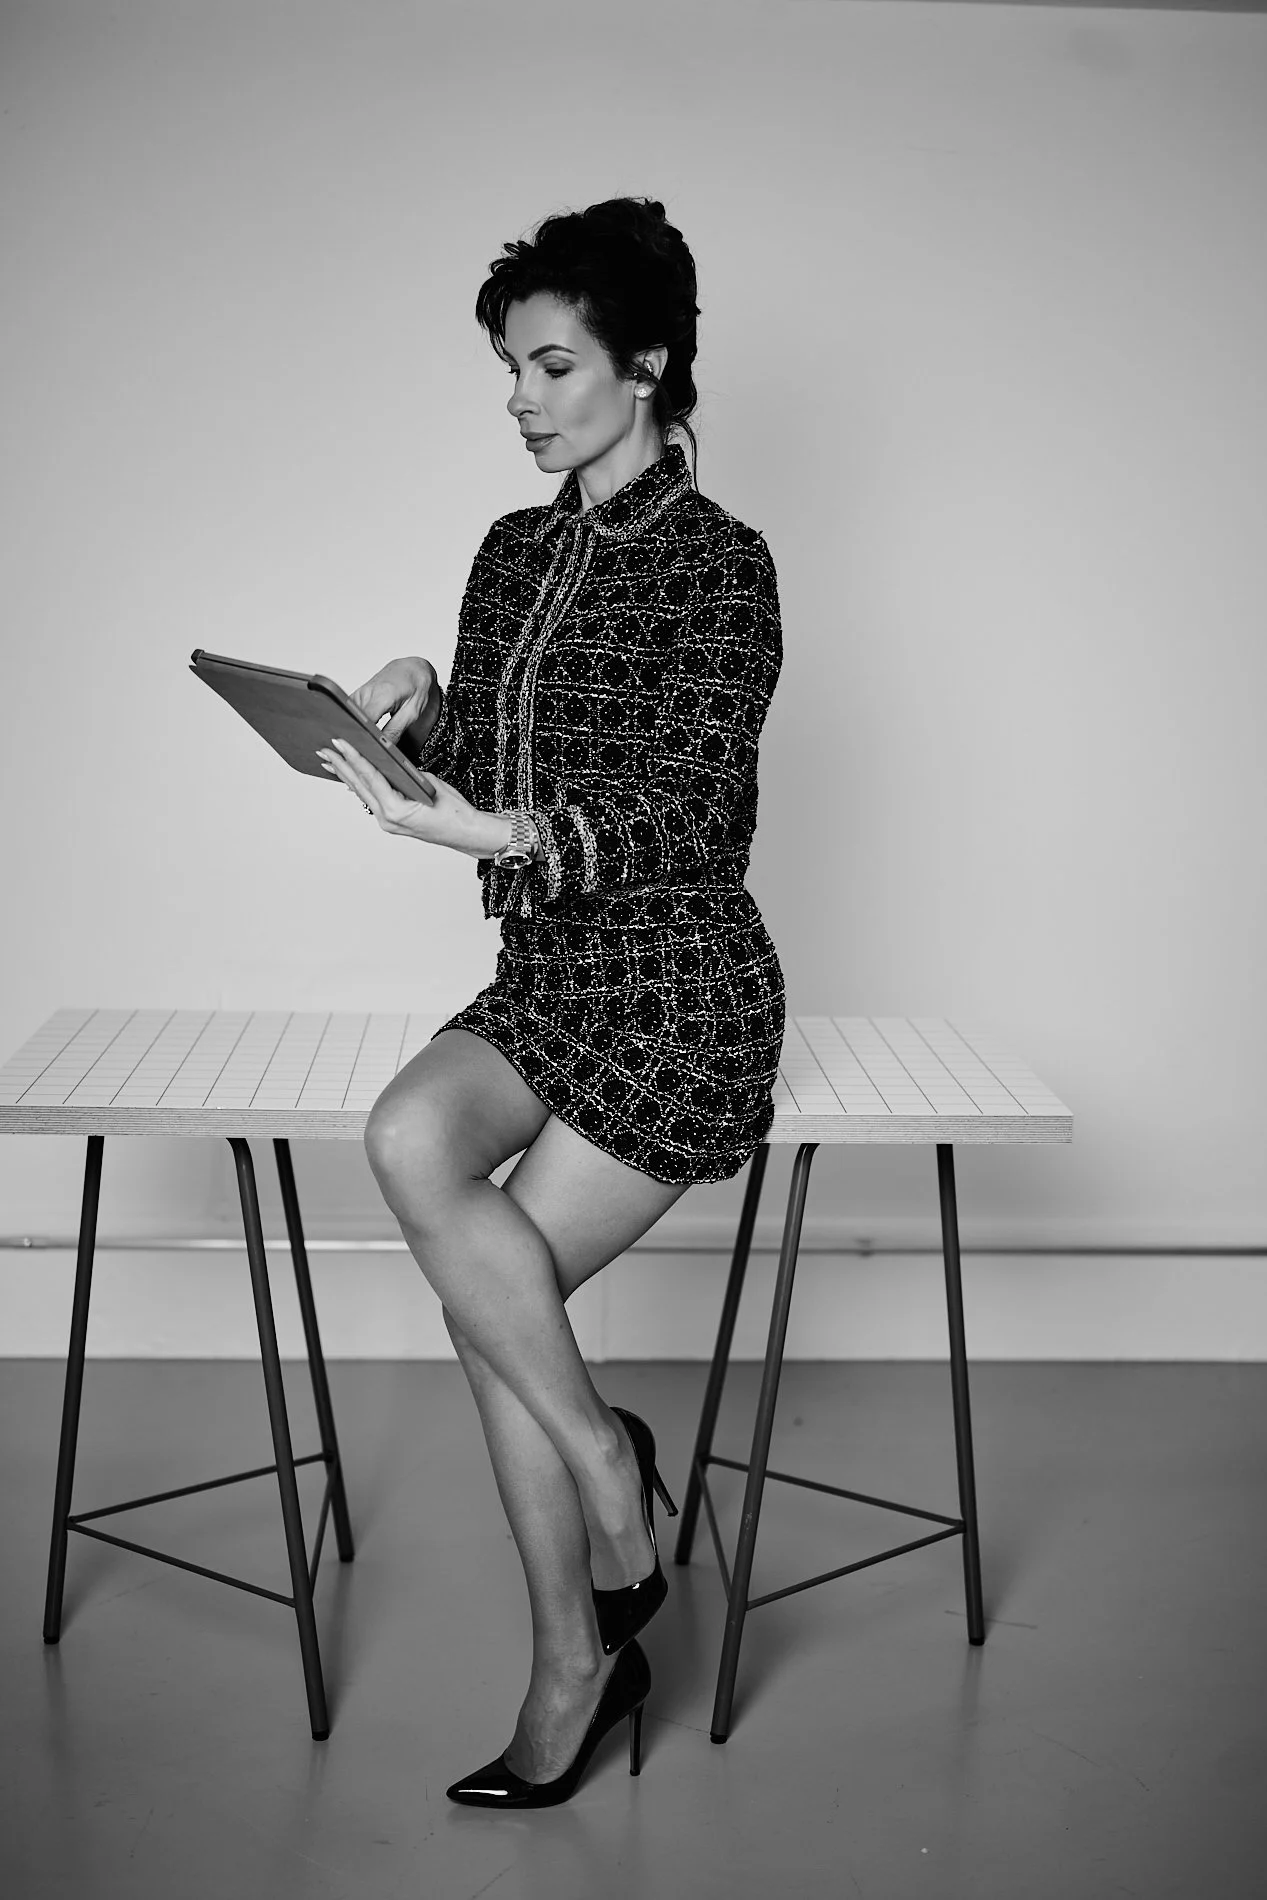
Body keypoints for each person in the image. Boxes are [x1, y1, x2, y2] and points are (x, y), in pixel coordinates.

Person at [317, 196, 786, 1808]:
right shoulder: (509, 551)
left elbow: (694, 811)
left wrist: (509, 829)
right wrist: (410, 713)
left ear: (647, 364)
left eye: (552, 362)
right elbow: (490, 776)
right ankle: (610, 1459)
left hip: (677, 993)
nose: (519, 397)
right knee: (405, 1141)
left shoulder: (723, 567)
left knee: (483, 1312)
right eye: (508, 369)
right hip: (545, 978)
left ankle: (570, 1665)